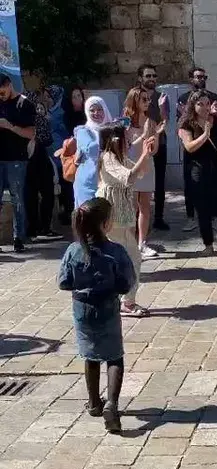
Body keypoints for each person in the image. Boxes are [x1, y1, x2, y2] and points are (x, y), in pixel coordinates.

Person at [58, 197, 135, 433]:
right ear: (105, 224)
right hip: (108, 309)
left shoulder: (73, 251)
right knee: (114, 357)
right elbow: (126, 283)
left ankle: (93, 403)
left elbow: (63, 282)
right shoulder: (115, 251)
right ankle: (111, 403)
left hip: (82, 311)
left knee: (90, 355)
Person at [97, 124, 154, 317]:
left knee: (132, 258)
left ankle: (124, 301)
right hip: (111, 219)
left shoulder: (119, 158)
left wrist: (147, 153)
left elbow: (140, 172)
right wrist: (144, 154)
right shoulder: (108, 158)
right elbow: (129, 178)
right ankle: (121, 302)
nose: (128, 142)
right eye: (125, 138)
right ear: (115, 140)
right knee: (121, 259)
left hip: (121, 219)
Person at [178, 91, 217, 255]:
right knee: (204, 209)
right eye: (200, 104)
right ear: (193, 106)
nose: (204, 107)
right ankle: (208, 245)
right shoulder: (187, 124)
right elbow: (189, 147)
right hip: (198, 170)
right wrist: (205, 134)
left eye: (207, 103)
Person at [177, 66, 217, 233]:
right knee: (191, 186)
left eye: (203, 76)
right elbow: (182, 123)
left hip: (211, 152)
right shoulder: (183, 98)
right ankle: (191, 218)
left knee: (213, 186)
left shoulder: (212, 97)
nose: (201, 79)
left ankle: (214, 217)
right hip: (193, 151)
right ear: (191, 79)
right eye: (198, 77)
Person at [0, 73, 36, 253]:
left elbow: (31, 133)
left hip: (16, 159)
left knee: (17, 199)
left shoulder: (24, 104)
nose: (1, 96)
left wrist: (9, 126)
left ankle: (18, 238)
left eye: (1, 91)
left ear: (8, 85)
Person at [123, 87, 159, 261]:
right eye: (143, 99)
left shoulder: (151, 122)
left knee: (145, 206)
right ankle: (129, 245)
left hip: (146, 166)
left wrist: (152, 140)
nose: (147, 102)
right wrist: (142, 136)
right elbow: (124, 148)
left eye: (148, 99)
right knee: (131, 207)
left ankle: (142, 243)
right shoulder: (125, 122)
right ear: (134, 101)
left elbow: (154, 150)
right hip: (130, 167)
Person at [25, 85, 61, 241]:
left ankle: (32, 229)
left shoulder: (22, 115)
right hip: (37, 156)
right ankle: (43, 228)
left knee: (31, 194)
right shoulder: (38, 115)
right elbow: (47, 139)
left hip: (26, 158)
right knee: (45, 193)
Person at [137, 64, 170, 231]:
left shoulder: (162, 96)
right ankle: (139, 219)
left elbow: (165, 121)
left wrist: (161, 107)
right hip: (138, 145)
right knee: (138, 182)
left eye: (154, 76)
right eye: (148, 76)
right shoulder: (135, 96)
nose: (151, 79)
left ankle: (158, 217)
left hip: (159, 143)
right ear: (140, 78)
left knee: (159, 182)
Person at [73, 96, 112, 210]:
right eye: (92, 110)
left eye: (100, 109)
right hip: (88, 183)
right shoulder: (83, 131)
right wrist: (105, 132)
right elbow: (91, 150)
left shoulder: (113, 129)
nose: (96, 113)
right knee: (87, 219)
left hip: (108, 182)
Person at [58, 86, 86, 224]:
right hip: (72, 155)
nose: (77, 99)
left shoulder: (88, 114)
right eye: (74, 97)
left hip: (86, 155)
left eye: (79, 96)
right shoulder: (65, 116)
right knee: (69, 185)